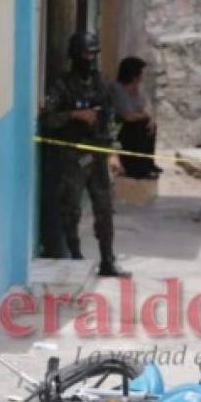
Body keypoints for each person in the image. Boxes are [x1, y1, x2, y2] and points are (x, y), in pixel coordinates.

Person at [39, 31, 130, 277]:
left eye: (93, 53)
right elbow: (47, 119)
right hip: (72, 156)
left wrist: (113, 152)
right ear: (75, 55)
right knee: (70, 211)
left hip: (97, 153)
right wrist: (74, 115)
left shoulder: (101, 83)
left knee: (104, 210)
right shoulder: (62, 86)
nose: (90, 59)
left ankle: (108, 261)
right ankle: (76, 256)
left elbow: (111, 119)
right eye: (86, 54)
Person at [113, 56, 162, 179]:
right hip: (118, 129)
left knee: (149, 126)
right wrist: (144, 116)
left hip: (133, 123)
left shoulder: (136, 90)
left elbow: (143, 108)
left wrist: (149, 118)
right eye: (140, 73)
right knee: (137, 126)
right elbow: (127, 116)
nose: (141, 77)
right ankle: (137, 168)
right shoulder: (118, 90)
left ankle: (148, 163)